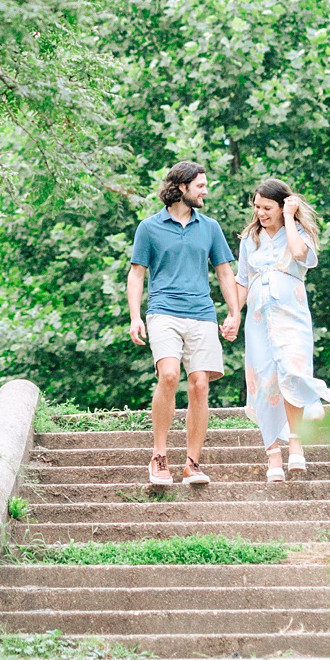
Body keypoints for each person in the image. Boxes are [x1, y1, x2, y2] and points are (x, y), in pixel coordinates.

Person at [126, 161, 243, 489]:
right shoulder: (148, 228)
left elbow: (224, 273)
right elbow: (137, 275)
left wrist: (234, 312)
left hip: (202, 313)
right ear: (181, 188)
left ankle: (192, 463)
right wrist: (135, 316)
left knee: (200, 384)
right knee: (168, 375)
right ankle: (159, 456)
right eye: (201, 185)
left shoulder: (210, 227)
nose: (206, 191)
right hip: (163, 311)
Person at [240, 177, 330, 482]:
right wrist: (233, 314)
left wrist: (288, 217)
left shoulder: (297, 233)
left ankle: (295, 443)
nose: (260, 212)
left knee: (292, 373)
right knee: (264, 380)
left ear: (282, 205)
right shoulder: (250, 238)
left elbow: (300, 255)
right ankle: (272, 454)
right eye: (257, 207)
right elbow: (243, 279)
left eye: (267, 207)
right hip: (258, 320)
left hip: (292, 316)